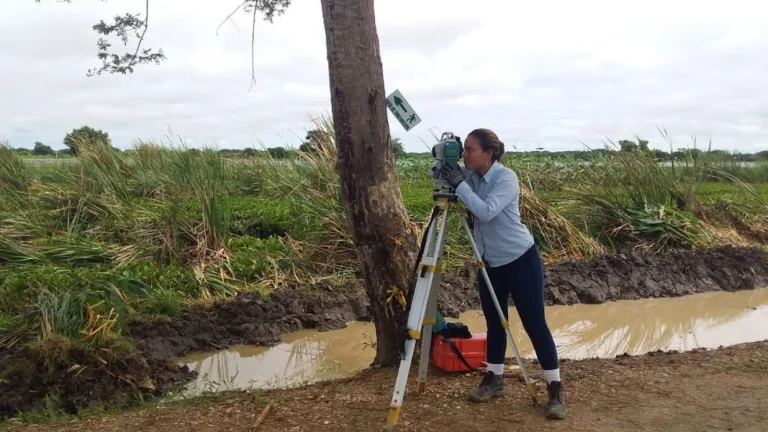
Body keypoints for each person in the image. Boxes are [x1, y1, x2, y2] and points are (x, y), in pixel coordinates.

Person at [439, 128, 566, 420]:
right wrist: (446, 171)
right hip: (489, 262)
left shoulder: (505, 178)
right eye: (464, 150)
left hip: (520, 259)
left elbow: (486, 211)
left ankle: (555, 389)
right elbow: (459, 185)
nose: (465, 155)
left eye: (470, 150)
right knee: (496, 323)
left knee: (535, 324)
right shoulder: (471, 176)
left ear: (489, 152)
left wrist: (459, 185)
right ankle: (493, 379)